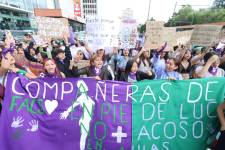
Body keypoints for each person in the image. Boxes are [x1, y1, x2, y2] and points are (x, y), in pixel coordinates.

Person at [60, 80, 95, 150]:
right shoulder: (81, 97)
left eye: (83, 85)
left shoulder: (88, 97)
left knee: (87, 137)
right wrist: (66, 112)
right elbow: (73, 105)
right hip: (85, 120)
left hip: (90, 120)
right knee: (84, 137)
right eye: (80, 86)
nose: (82, 87)